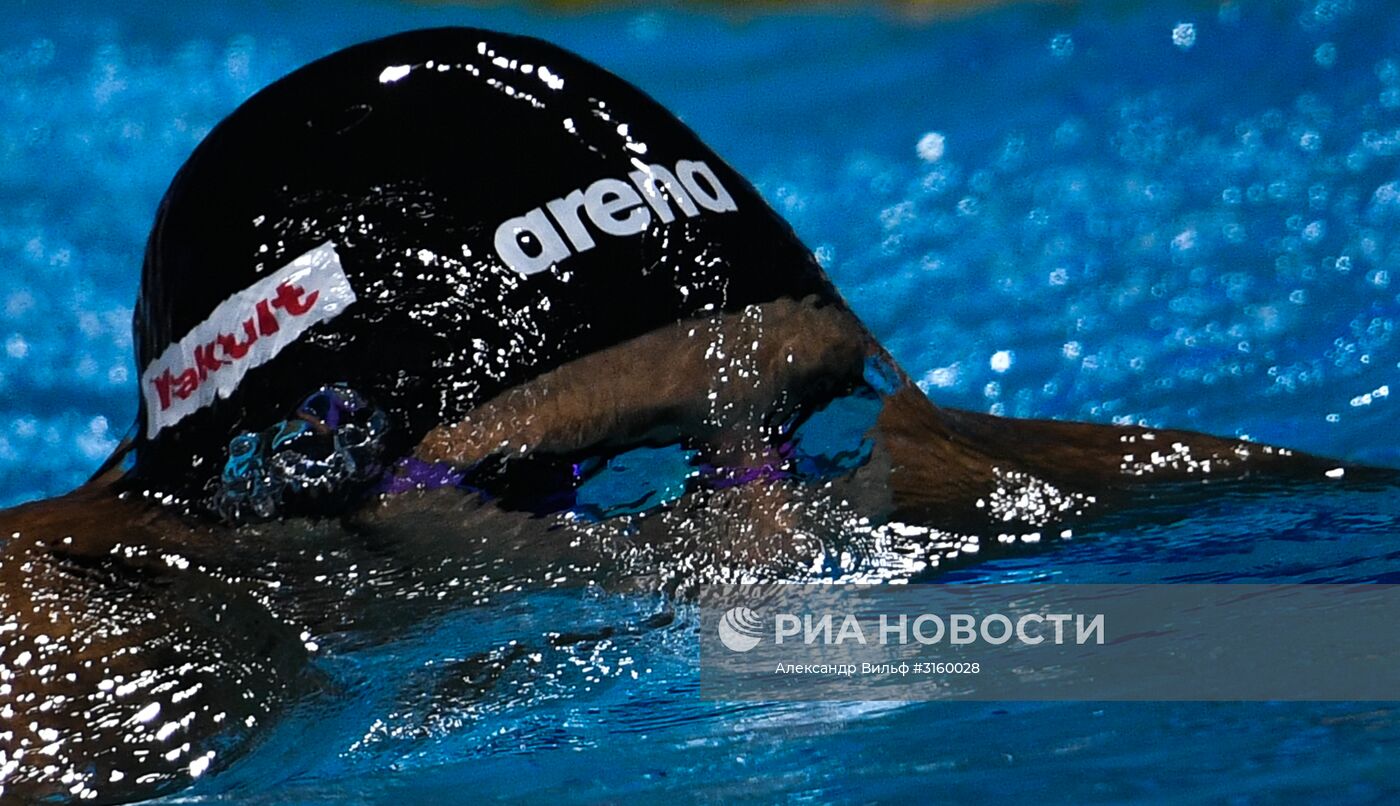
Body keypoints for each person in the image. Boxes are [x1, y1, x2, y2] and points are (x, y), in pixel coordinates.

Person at [0, 27, 1381, 803]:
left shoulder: (867, 489)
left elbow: (1340, 633)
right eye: (614, 473)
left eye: (816, 417)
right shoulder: (101, 661)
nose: (777, 552)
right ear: (291, 509)